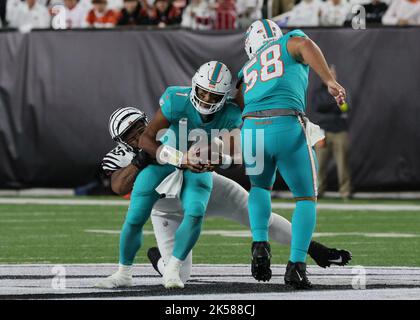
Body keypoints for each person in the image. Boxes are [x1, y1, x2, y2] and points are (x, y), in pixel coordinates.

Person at [97, 106, 352, 286]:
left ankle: (313, 248)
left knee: (260, 219)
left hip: (205, 188)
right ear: (120, 141)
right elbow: (118, 186)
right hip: (166, 210)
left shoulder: (170, 130)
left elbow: (209, 145)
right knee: (178, 277)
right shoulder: (119, 157)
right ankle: (159, 260)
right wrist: (141, 159)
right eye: (129, 133)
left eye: (139, 126)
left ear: (146, 120)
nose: (138, 134)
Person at [95, 61, 242, 290]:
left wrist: (218, 158)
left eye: (214, 95)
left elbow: (237, 154)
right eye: (128, 134)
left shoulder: (230, 113)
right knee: (135, 216)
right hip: (167, 166)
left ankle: (172, 267)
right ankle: (124, 271)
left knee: (196, 210)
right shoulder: (175, 99)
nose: (207, 99)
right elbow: (142, 149)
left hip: (196, 164)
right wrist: (174, 158)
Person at [237, 19, 346, 289]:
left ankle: (259, 245)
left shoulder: (247, 67)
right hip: (285, 122)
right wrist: (330, 80)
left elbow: (239, 99)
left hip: (251, 128)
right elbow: (304, 44)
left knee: (259, 187)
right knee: (306, 197)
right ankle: (296, 266)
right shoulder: (288, 41)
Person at [312, 65, 352, 200]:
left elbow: (345, 108)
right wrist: (335, 103)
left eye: (333, 73)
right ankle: (318, 191)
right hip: (322, 132)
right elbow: (318, 107)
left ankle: (345, 192)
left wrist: (335, 104)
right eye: (328, 73)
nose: (331, 76)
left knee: (342, 164)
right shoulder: (318, 92)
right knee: (319, 164)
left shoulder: (341, 90)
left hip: (339, 131)